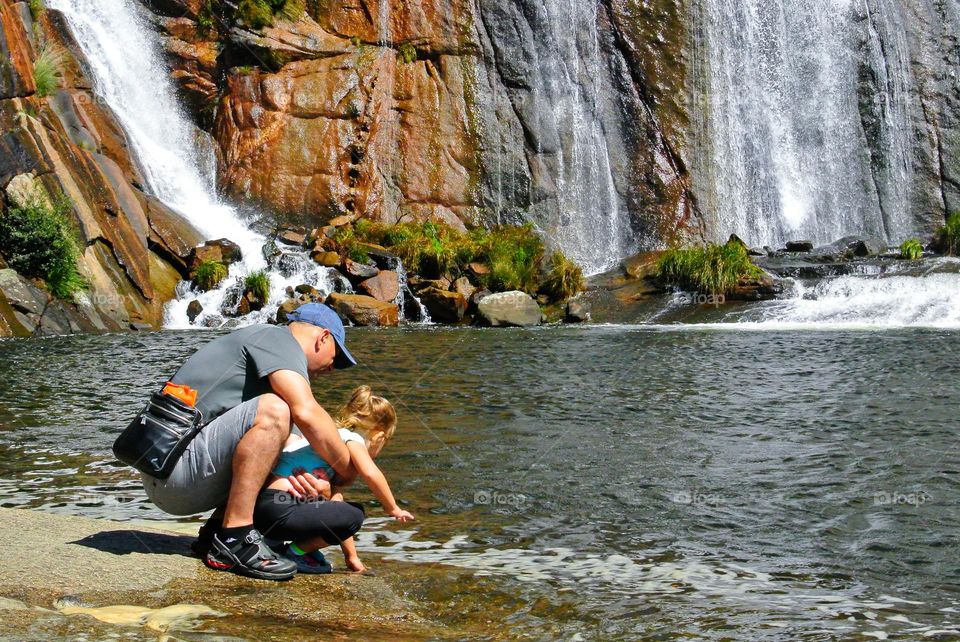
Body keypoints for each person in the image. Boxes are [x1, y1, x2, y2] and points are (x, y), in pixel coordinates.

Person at [139, 303, 359, 581]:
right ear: (323, 337)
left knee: (285, 434)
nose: (332, 369)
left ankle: (215, 534)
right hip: (173, 473)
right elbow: (307, 412)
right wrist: (347, 468)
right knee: (277, 410)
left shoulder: (268, 352)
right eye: (336, 358)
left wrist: (315, 479)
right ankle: (234, 539)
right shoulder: (276, 338)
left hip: (174, 473)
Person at [256, 386, 415, 574]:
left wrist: (351, 557)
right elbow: (371, 473)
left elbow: (337, 509)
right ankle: (294, 552)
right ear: (379, 436)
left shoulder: (321, 440)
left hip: (263, 510)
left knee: (339, 510)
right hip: (281, 510)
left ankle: (298, 548)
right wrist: (392, 507)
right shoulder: (351, 438)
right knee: (356, 514)